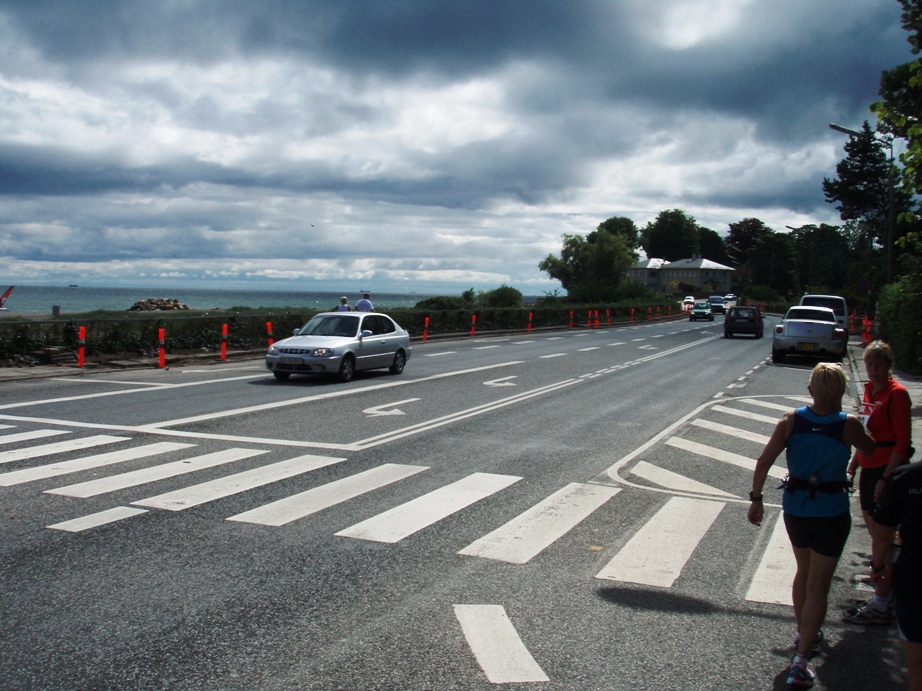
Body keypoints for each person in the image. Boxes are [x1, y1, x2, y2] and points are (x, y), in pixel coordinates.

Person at [748, 362, 875, 688]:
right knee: (820, 584)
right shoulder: (846, 425)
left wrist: (756, 498)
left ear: (811, 390)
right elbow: (870, 448)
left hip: (796, 509)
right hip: (831, 512)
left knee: (803, 573)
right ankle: (802, 661)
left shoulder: (791, 421)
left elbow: (764, 460)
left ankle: (804, 634)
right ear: (841, 392)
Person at [844, 340, 913, 625]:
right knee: (876, 535)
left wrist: (887, 477)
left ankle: (882, 604)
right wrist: (852, 466)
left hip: (887, 469)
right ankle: (886, 596)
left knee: (882, 539)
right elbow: (865, 435)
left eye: (878, 364)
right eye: (870, 364)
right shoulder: (871, 391)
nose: (872, 369)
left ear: (888, 366)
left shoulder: (898, 395)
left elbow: (902, 442)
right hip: (870, 468)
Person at [870, 460, 922, 691]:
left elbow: (883, 534)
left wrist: (878, 566)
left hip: (915, 579)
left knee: (917, 674)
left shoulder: (907, 476)